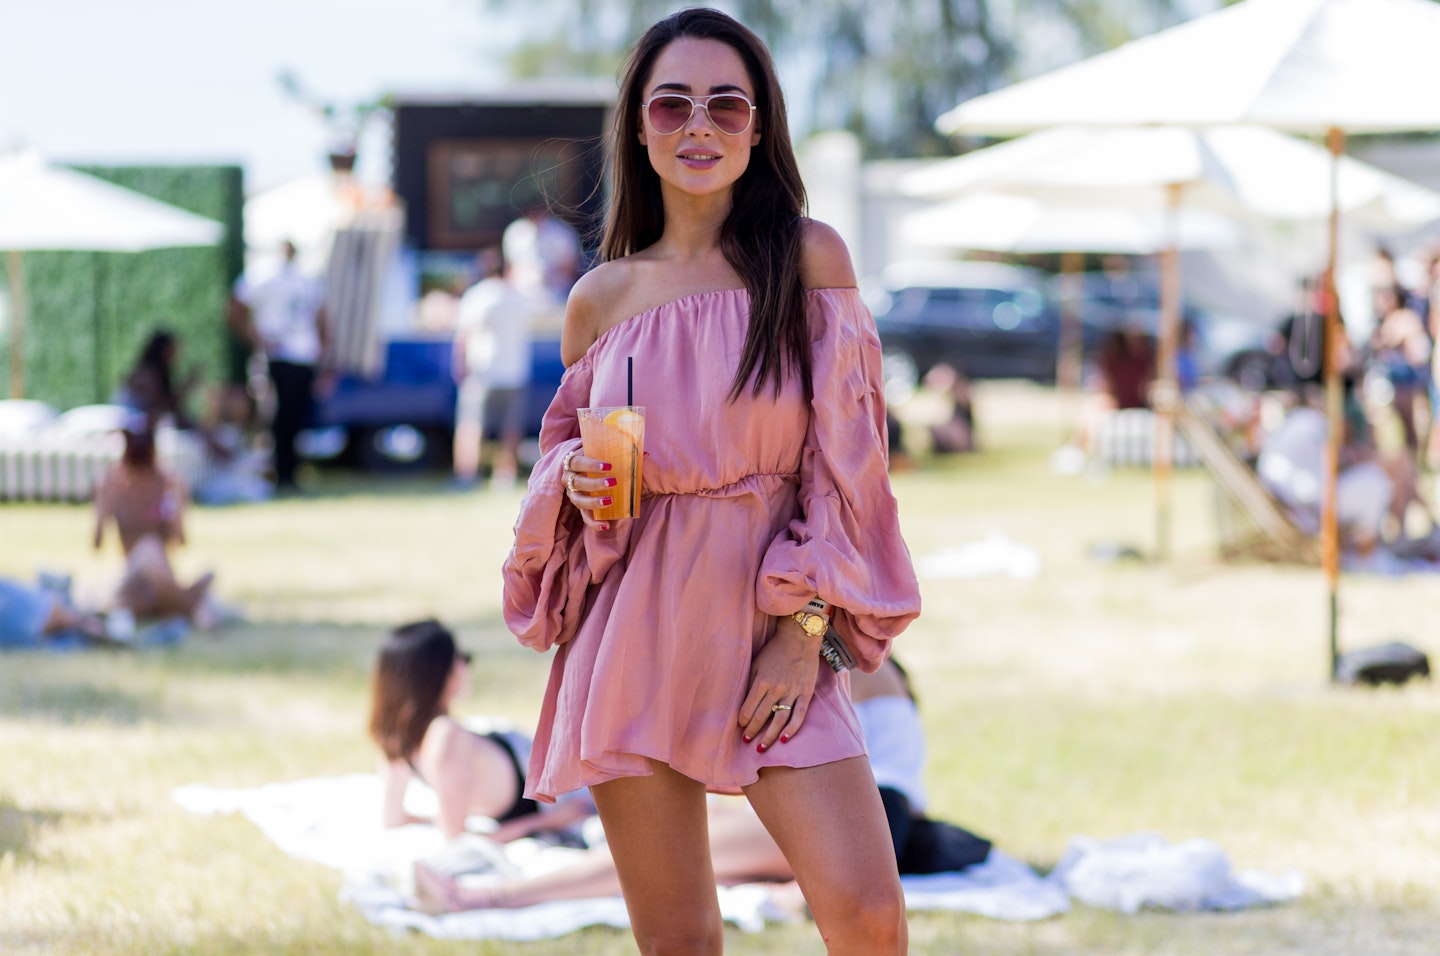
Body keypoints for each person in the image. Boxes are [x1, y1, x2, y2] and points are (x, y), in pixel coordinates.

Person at [502, 10, 921, 954]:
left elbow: (848, 470)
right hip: (636, 632)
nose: (701, 125)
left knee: (867, 913)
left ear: (760, 127)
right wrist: (571, 476)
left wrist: (804, 632)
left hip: (773, 624)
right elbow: (561, 468)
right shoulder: (599, 300)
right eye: (674, 104)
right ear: (640, 128)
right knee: (680, 942)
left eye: (727, 104)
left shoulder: (810, 261)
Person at [413, 657, 990, 914]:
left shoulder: (856, 664)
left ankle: (488, 898)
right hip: (868, 813)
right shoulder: (870, 679)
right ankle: (536, 846)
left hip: (864, 811)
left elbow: (764, 725)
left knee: (668, 861)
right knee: (667, 841)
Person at [92, 417, 217, 628]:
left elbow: (180, 542)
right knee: (148, 549)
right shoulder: (112, 484)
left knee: (204, 571)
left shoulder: (170, 484)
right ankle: (191, 605)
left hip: (162, 578)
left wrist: (175, 508)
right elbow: (96, 544)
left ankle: (170, 604)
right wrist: (105, 504)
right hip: (132, 575)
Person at [232, 240, 328, 493]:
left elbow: (322, 318)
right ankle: (275, 472)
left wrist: (325, 357)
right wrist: (256, 340)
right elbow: (235, 308)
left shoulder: (307, 279)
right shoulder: (262, 274)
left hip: (303, 356)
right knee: (274, 416)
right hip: (277, 357)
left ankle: (290, 471)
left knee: (296, 417)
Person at [451, 247, 534, 489]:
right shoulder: (517, 297)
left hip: (482, 371)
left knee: (470, 425)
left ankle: (466, 475)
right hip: (515, 372)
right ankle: (504, 476)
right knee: (511, 428)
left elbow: (463, 336)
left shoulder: (477, 297)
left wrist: (460, 366)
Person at [1368, 282, 1431, 457]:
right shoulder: (1384, 320)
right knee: (1390, 425)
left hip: (1409, 379)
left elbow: (1414, 344)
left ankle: (1417, 457)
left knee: (1412, 423)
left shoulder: (1406, 317)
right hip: (1392, 378)